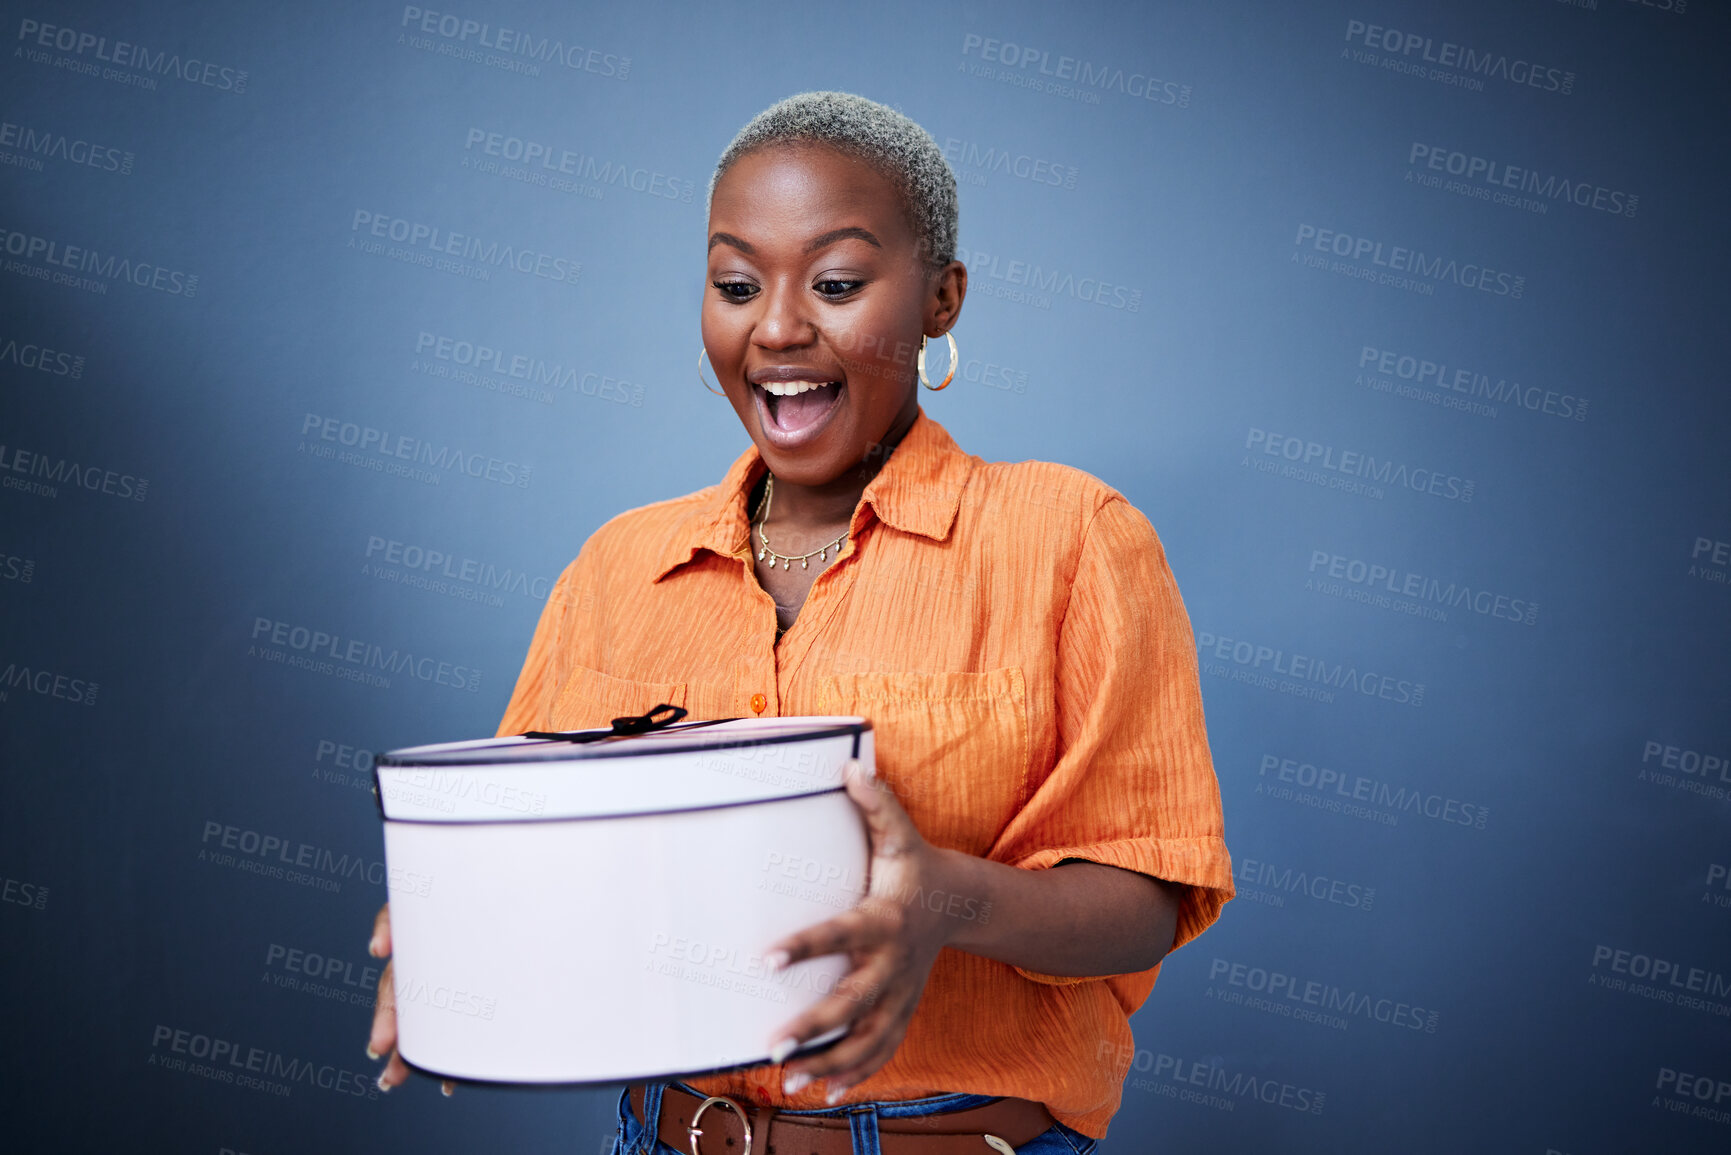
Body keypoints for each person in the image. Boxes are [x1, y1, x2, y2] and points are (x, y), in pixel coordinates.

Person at [366, 91, 1232, 1154]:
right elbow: (546, 855)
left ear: (941, 299)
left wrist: (944, 901)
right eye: (737, 284)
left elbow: (1145, 899)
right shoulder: (617, 567)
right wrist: (459, 920)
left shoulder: (1074, 541)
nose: (776, 326)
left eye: (835, 283)